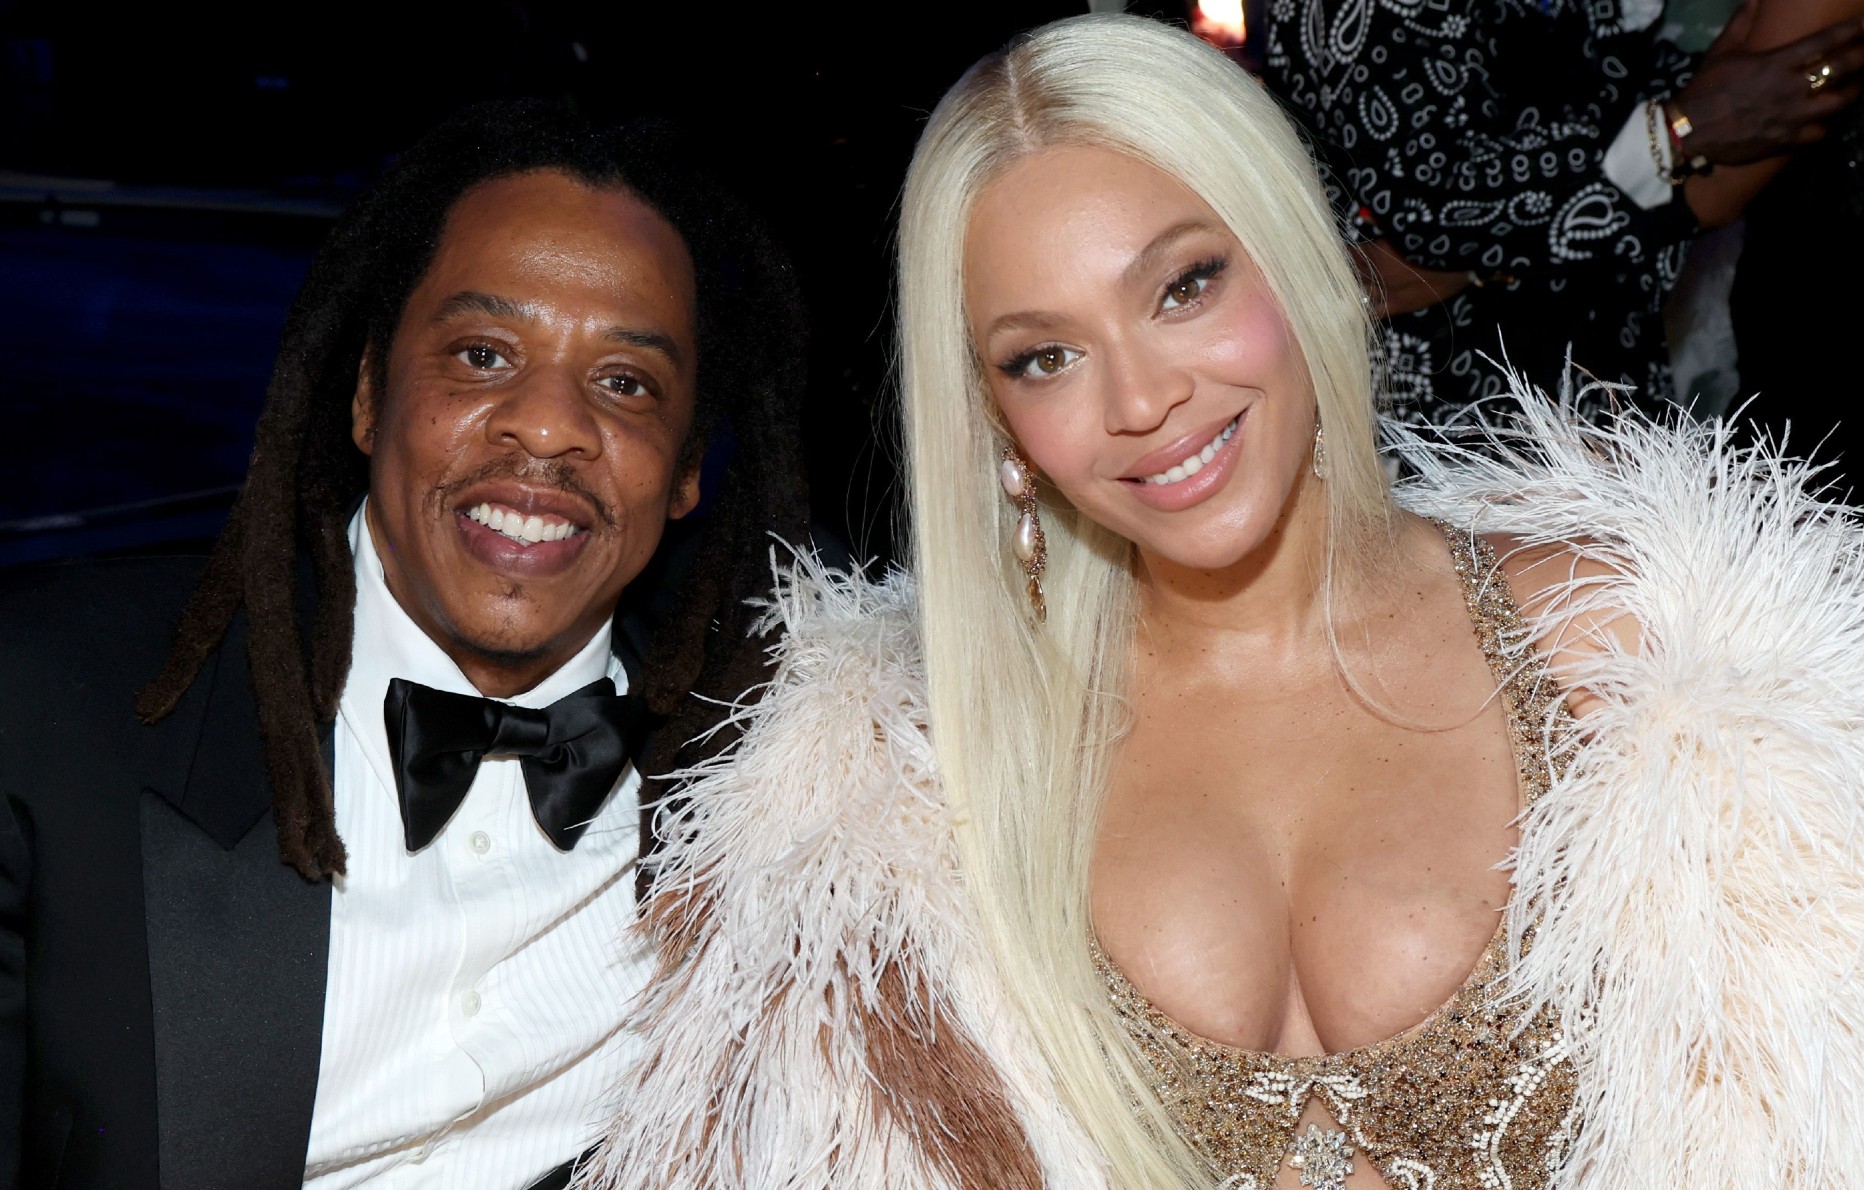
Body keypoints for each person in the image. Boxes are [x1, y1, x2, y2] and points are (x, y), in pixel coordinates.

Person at [581, 14, 1864, 1190]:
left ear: (1291, 255)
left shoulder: (1636, 657)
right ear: (998, 424)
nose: (1140, 400)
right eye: (1046, 355)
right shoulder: (913, 798)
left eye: (1182, 285)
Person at [0, 101, 810, 1190]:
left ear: (684, 472)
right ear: (370, 390)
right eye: (483, 353)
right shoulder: (49, 711)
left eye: (624, 383)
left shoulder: (788, 795)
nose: (546, 422)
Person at [1255, 0, 1864, 427]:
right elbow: (1432, 201)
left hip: (1604, 388)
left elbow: (1722, 135)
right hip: (1441, 404)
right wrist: (1677, 134)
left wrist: (1492, 254)